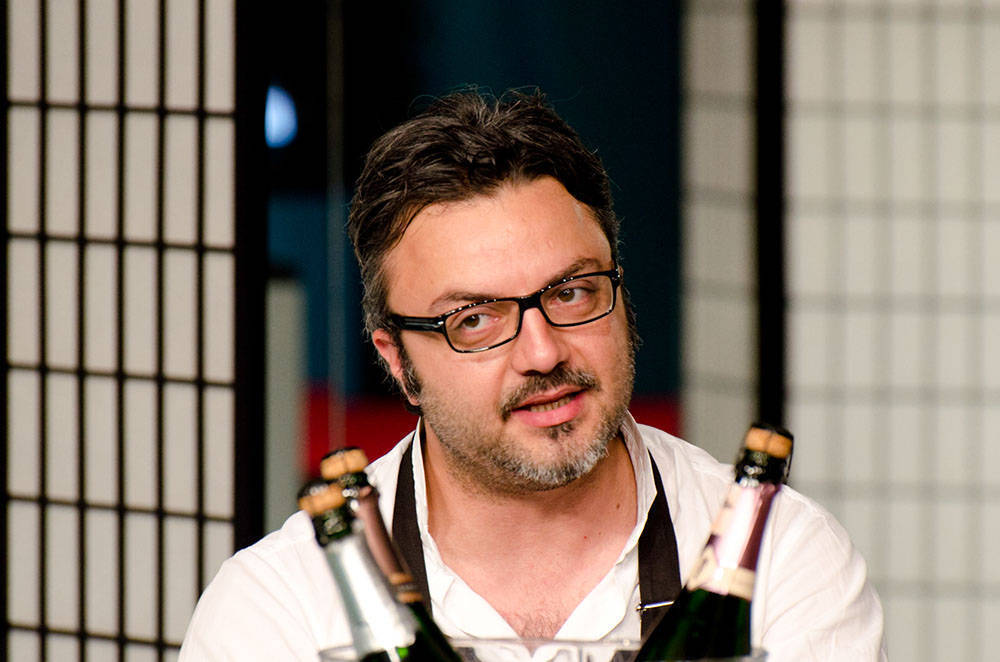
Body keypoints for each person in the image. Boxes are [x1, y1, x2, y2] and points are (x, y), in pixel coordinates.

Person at [179, 89, 886, 661]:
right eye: (475, 319)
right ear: (397, 361)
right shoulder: (283, 609)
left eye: (571, 292)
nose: (543, 353)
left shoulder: (780, 563)